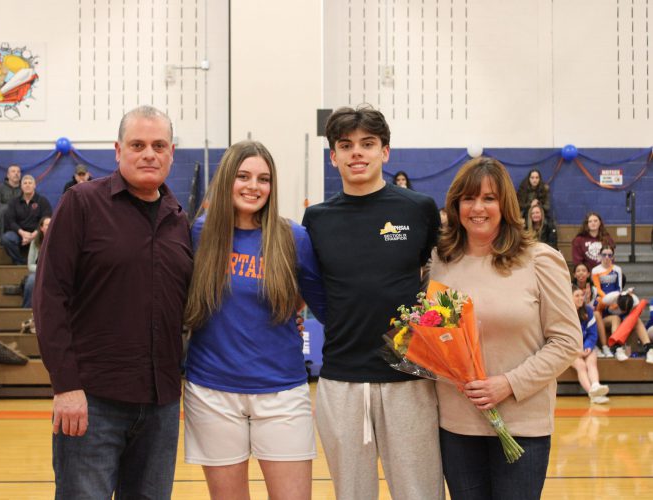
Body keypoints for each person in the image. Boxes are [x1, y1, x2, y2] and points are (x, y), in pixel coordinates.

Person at [34, 105, 193, 499]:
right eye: (137, 144)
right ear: (117, 150)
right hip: (91, 403)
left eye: (159, 145)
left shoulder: (179, 220)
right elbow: (50, 298)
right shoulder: (82, 204)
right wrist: (65, 386)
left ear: (172, 152)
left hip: (161, 406)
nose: (149, 154)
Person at [302, 105, 443, 500]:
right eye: (346, 146)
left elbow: (439, 281)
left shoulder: (418, 209)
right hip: (341, 378)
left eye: (368, 143)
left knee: (420, 492)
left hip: (408, 376)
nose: (356, 153)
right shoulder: (316, 218)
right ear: (333, 156)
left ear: (385, 151)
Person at [430, 156, 581, 499]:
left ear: (505, 205)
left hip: (522, 425)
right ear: (455, 206)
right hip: (457, 426)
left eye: (489, 198)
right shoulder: (441, 261)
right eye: (468, 198)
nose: (477, 208)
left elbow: (567, 340)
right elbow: (437, 335)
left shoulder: (539, 259)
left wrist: (509, 384)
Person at [183, 140, 326, 500]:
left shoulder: (292, 237)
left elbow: (327, 306)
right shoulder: (197, 234)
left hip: (281, 389)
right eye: (243, 176)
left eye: (263, 179)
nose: (253, 186)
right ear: (227, 178)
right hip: (212, 390)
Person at [0, 174, 52, 265]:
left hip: (38, 233)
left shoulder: (42, 201)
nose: (27, 185)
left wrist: (35, 234)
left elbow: (46, 219)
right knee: (6, 239)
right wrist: (22, 233)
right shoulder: (14, 202)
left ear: (34, 185)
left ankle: (41, 263)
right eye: (25, 183)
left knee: (47, 236)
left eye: (30, 183)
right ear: (21, 186)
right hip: (19, 234)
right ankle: (21, 262)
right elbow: (11, 221)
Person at [571, 285, 610, 404]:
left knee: (591, 361)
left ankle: (596, 386)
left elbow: (593, 334)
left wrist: (587, 347)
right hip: (569, 349)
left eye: (581, 295)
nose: (580, 298)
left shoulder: (588, 310)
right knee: (581, 365)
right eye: (576, 296)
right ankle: (592, 394)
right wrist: (577, 351)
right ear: (569, 298)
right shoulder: (565, 313)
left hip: (585, 346)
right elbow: (563, 338)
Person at [22, 216, 50, 308]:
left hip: (55, 273)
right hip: (39, 271)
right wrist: (43, 269)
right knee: (31, 281)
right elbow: (30, 265)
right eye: (47, 225)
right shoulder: (35, 242)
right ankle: (27, 309)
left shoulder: (60, 241)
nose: (50, 226)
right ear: (41, 228)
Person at [0, 164, 22, 235]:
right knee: (3, 209)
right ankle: (1, 237)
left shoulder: (24, 188)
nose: (16, 173)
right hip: (4, 214)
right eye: (13, 171)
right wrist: (10, 208)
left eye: (18, 172)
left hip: (20, 213)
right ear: (8, 175)